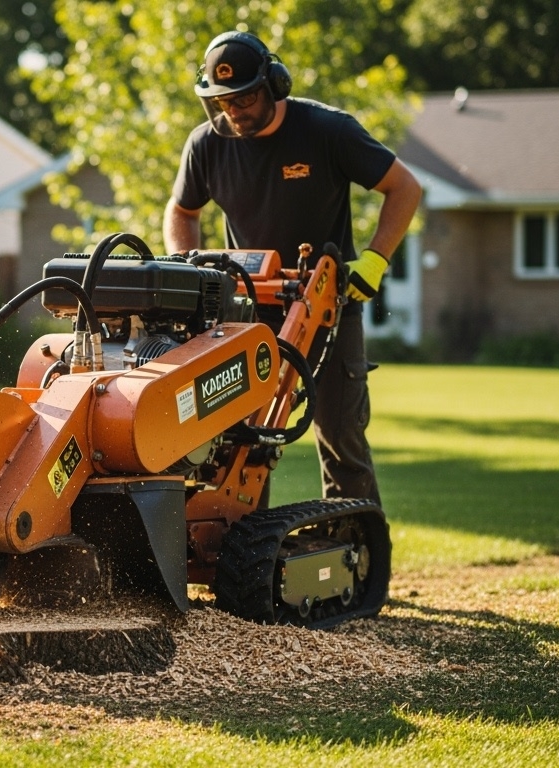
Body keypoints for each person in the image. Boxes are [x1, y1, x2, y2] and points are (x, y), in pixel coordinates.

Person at [163, 31, 422, 503]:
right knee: (240, 440)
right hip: (247, 312)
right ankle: (244, 543)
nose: (233, 110)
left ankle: (357, 545)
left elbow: (404, 187)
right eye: (222, 101)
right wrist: (187, 268)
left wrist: (375, 259)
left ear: (275, 84)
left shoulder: (328, 131)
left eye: (244, 98)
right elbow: (182, 211)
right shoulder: (206, 144)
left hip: (326, 309)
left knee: (341, 435)